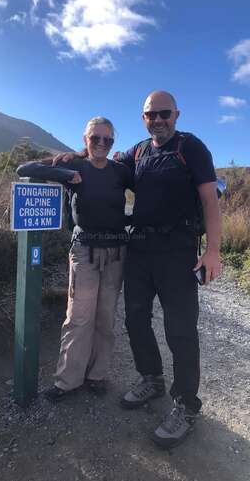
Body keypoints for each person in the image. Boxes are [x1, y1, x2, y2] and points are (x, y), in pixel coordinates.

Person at [53, 91, 222, 448]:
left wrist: (213, 251)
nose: (158, 120)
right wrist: (76, 157)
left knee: (180, 330)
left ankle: (186, 405)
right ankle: (151, 379)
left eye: (164, 114)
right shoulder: (138, 152)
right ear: (143, 118)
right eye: (150, 115)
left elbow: (209, 199)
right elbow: (105, 166)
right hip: (140, 249)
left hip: (178, 252)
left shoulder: (191, 148)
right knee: (135, 320)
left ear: (176, 114)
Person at [16, 117, 133, 401]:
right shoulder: (76, 165)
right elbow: (26, 168)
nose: (101, 144)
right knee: (78, 319)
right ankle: (67, 381)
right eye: (95, 139)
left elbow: (151, 191)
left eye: (108, 140)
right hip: (85, 253)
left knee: (105, 319)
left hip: (116, 253)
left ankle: (97, 376)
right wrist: (65, 174)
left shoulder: (120, 171)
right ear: (85, 140)